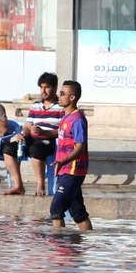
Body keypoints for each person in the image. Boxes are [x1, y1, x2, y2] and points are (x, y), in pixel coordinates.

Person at [1, 72, 63, 196]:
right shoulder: (36, 105)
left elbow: (62, 130)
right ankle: (18, 186)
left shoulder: (61, 106)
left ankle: (40, 185)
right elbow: (28, 125)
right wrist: (23, 134)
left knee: (36, 149)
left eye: (47, 87)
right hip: (31, 138)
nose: (43, 91)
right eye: (41, 87)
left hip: (48, 140)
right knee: (8, 148)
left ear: (55, 87)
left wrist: (44, 132)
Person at [49, 80, 93, 230]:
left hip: (73, 170)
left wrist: (63, 161)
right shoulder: (65, 117)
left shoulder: (78, 120)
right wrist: (43, 133)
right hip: (64, 169)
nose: (58, 96)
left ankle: (58, 246)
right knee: (78, 212)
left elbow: (80, 147)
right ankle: (86, 241)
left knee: (56, 208)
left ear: (72, 97)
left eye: (62, 94)